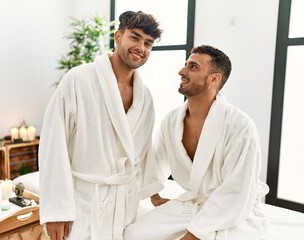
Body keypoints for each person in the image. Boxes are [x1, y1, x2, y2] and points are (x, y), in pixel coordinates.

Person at [39, 11, 164, 240]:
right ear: (118, 37)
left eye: (148, 43)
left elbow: (144, 150)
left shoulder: (145, 97)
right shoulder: (78, 79)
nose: (141, 47)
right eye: (134, 37)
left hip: (125, 204)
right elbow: (53, 144)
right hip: (84, 202)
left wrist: (154, 193)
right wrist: (56, 211)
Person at [124, 45, 270, 240]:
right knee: (134, 235)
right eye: (185, 65)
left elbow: (237, 191)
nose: (181, 71)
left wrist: (193, 235)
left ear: (214, 79)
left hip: (234, 211)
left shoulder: (240, 126)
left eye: (193, 67)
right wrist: (154, 194)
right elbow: (156, 161)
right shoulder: (172, 120)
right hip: (194, 203)